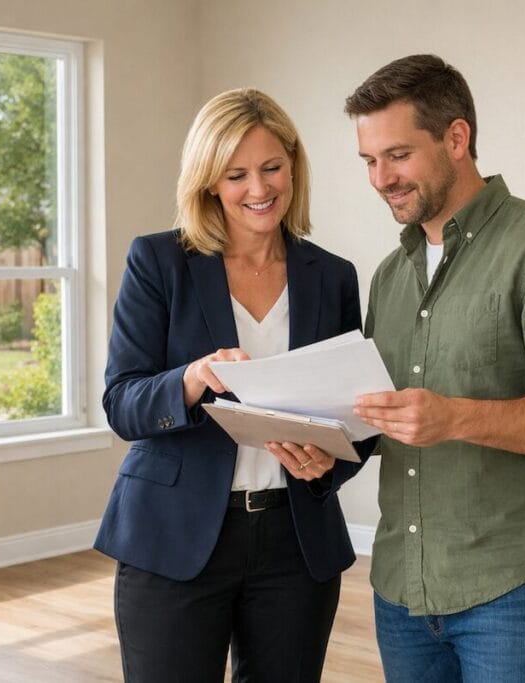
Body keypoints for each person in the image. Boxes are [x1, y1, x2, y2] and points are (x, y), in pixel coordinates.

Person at [343, 55, 525, 682]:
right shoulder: (391, 277)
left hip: (517, 587)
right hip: (402, 586)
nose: (381, 178)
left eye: (397, 155)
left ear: (456, 137)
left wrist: (454, 417)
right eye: (368, 161)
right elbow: (381, 414)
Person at [95, 88, 373, 682]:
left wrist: (328, 464)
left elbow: (359, 412)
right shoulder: (158, 262)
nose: (259, 188)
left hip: (294, 545)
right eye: (236, 174)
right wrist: (192, 379)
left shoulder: (333, 277)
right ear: (208, 183)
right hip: (175, 536)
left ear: (293, 166)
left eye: (272, 167)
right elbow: (122, 403)